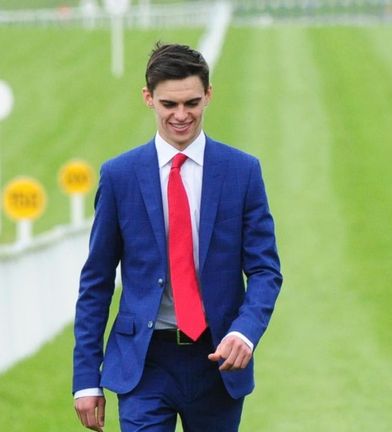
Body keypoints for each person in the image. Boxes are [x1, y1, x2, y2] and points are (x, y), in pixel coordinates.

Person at [72, 43, 282, 431]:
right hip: (143, 364)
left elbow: (266, 270)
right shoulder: (119, 176)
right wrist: (86, 377)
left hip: (217, 361)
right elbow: (96, 282)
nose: (181, 116)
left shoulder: (243, 172)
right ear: (148, 98)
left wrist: (245, 332)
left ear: (209, 95)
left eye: (192, 103)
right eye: (169, 104)